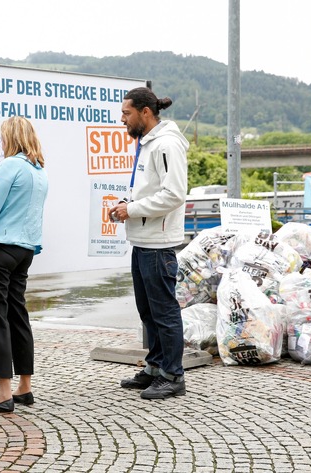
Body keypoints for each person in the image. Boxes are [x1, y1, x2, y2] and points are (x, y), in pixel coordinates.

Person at [109, 87, 189, 400]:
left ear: (145, 112)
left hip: (158, 243)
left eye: (126, 113)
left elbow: (173, 194)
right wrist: (125, 204)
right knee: (148, 311)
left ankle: (173, 375)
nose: (122, 119)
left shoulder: (167, 144)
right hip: (143, 239)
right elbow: (149, 190)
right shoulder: (149, 143)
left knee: (164, 311)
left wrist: (133, 209)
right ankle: (155, 367)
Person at [0, 116, 48, 413]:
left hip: (1, 251)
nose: (1, 142)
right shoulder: (39, 171)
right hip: (25, 252)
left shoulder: (9, 166)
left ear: (10, 138)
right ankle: (24, 387)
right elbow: (18, 198)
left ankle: (3, 392)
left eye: (3, 136)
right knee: (18, 315)